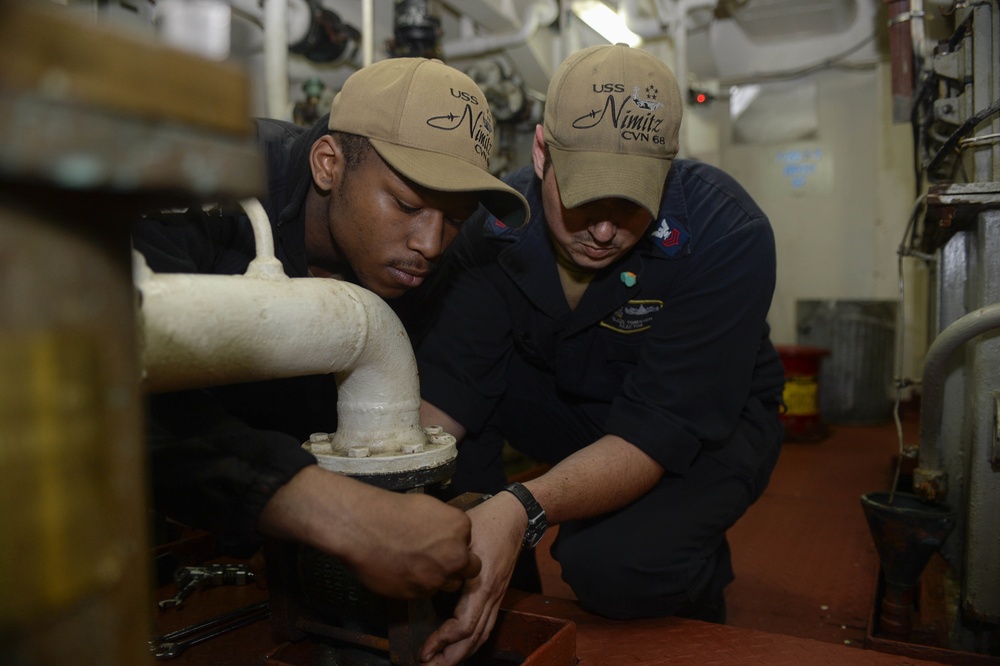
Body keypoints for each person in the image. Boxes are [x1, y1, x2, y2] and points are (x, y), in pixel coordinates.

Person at [414, 44, 786, 664]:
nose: (606, 231)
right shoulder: (493, 230)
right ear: (540, 153)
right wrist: (416, 508)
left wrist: (526, 505)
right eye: (585, 197)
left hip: (704, 419)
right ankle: (504, 593)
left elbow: (658, 429)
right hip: (572, 398)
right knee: (447, 461)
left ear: (667, 172)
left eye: (630, 199)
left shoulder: (729, 235)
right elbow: (451, 391)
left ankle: (689, 574)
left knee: (612, 567)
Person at [131, 57, 529, 599]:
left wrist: (486, 547)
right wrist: (335, 512)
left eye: (455, 218)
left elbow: (458, 411)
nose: (431, 244)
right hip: (183, 500)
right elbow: (102, 378)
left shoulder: (439, 251)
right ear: (328, 164)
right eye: (407, 204)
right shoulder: (210, 187)